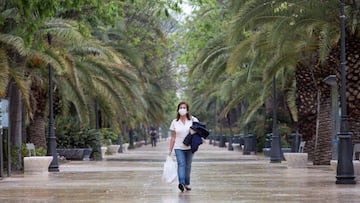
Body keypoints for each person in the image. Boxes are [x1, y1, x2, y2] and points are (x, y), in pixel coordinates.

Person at [169, 101, 199, 192]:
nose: (182, 109)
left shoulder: (192, 120)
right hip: (178, 147)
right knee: (181, 164)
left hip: (190, 147)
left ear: (187, 110)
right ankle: (181, 183)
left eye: (184, 108)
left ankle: (187, 183)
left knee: (188, 165)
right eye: (181, 108)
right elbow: (173, 137)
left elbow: (199, 129)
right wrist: (170, 150)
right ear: (178, 110)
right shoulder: (175, 122)